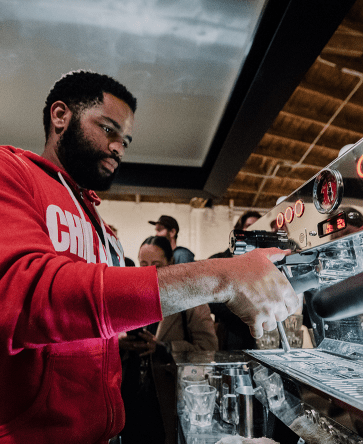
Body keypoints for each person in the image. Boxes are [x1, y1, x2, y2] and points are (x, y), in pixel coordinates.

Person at [0, 70, 300, 443]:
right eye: (108, 129)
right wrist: (224, 275)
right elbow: (23, 299)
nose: (118, 148)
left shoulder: (98, 221)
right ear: (60, 116)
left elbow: (90, 321)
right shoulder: (10, 171)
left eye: (125, 140)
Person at [120, 236, 218, 444]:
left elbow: (208, 348)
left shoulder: (190, 297)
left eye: (157, 265)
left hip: (167, 397)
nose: (149, 271)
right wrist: (121, 344)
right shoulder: (134, 295)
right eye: (143, 264)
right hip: (131, 396)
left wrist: (164, 347)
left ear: (171, 263)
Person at [208, 210, 262, 350]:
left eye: (258, 226)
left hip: (259, 338)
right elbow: (208, 299)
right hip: (227, 333)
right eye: (249, 225)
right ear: (239, 230)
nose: (253, 230)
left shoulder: (263, 265)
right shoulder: (218, 260)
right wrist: (241, 310)